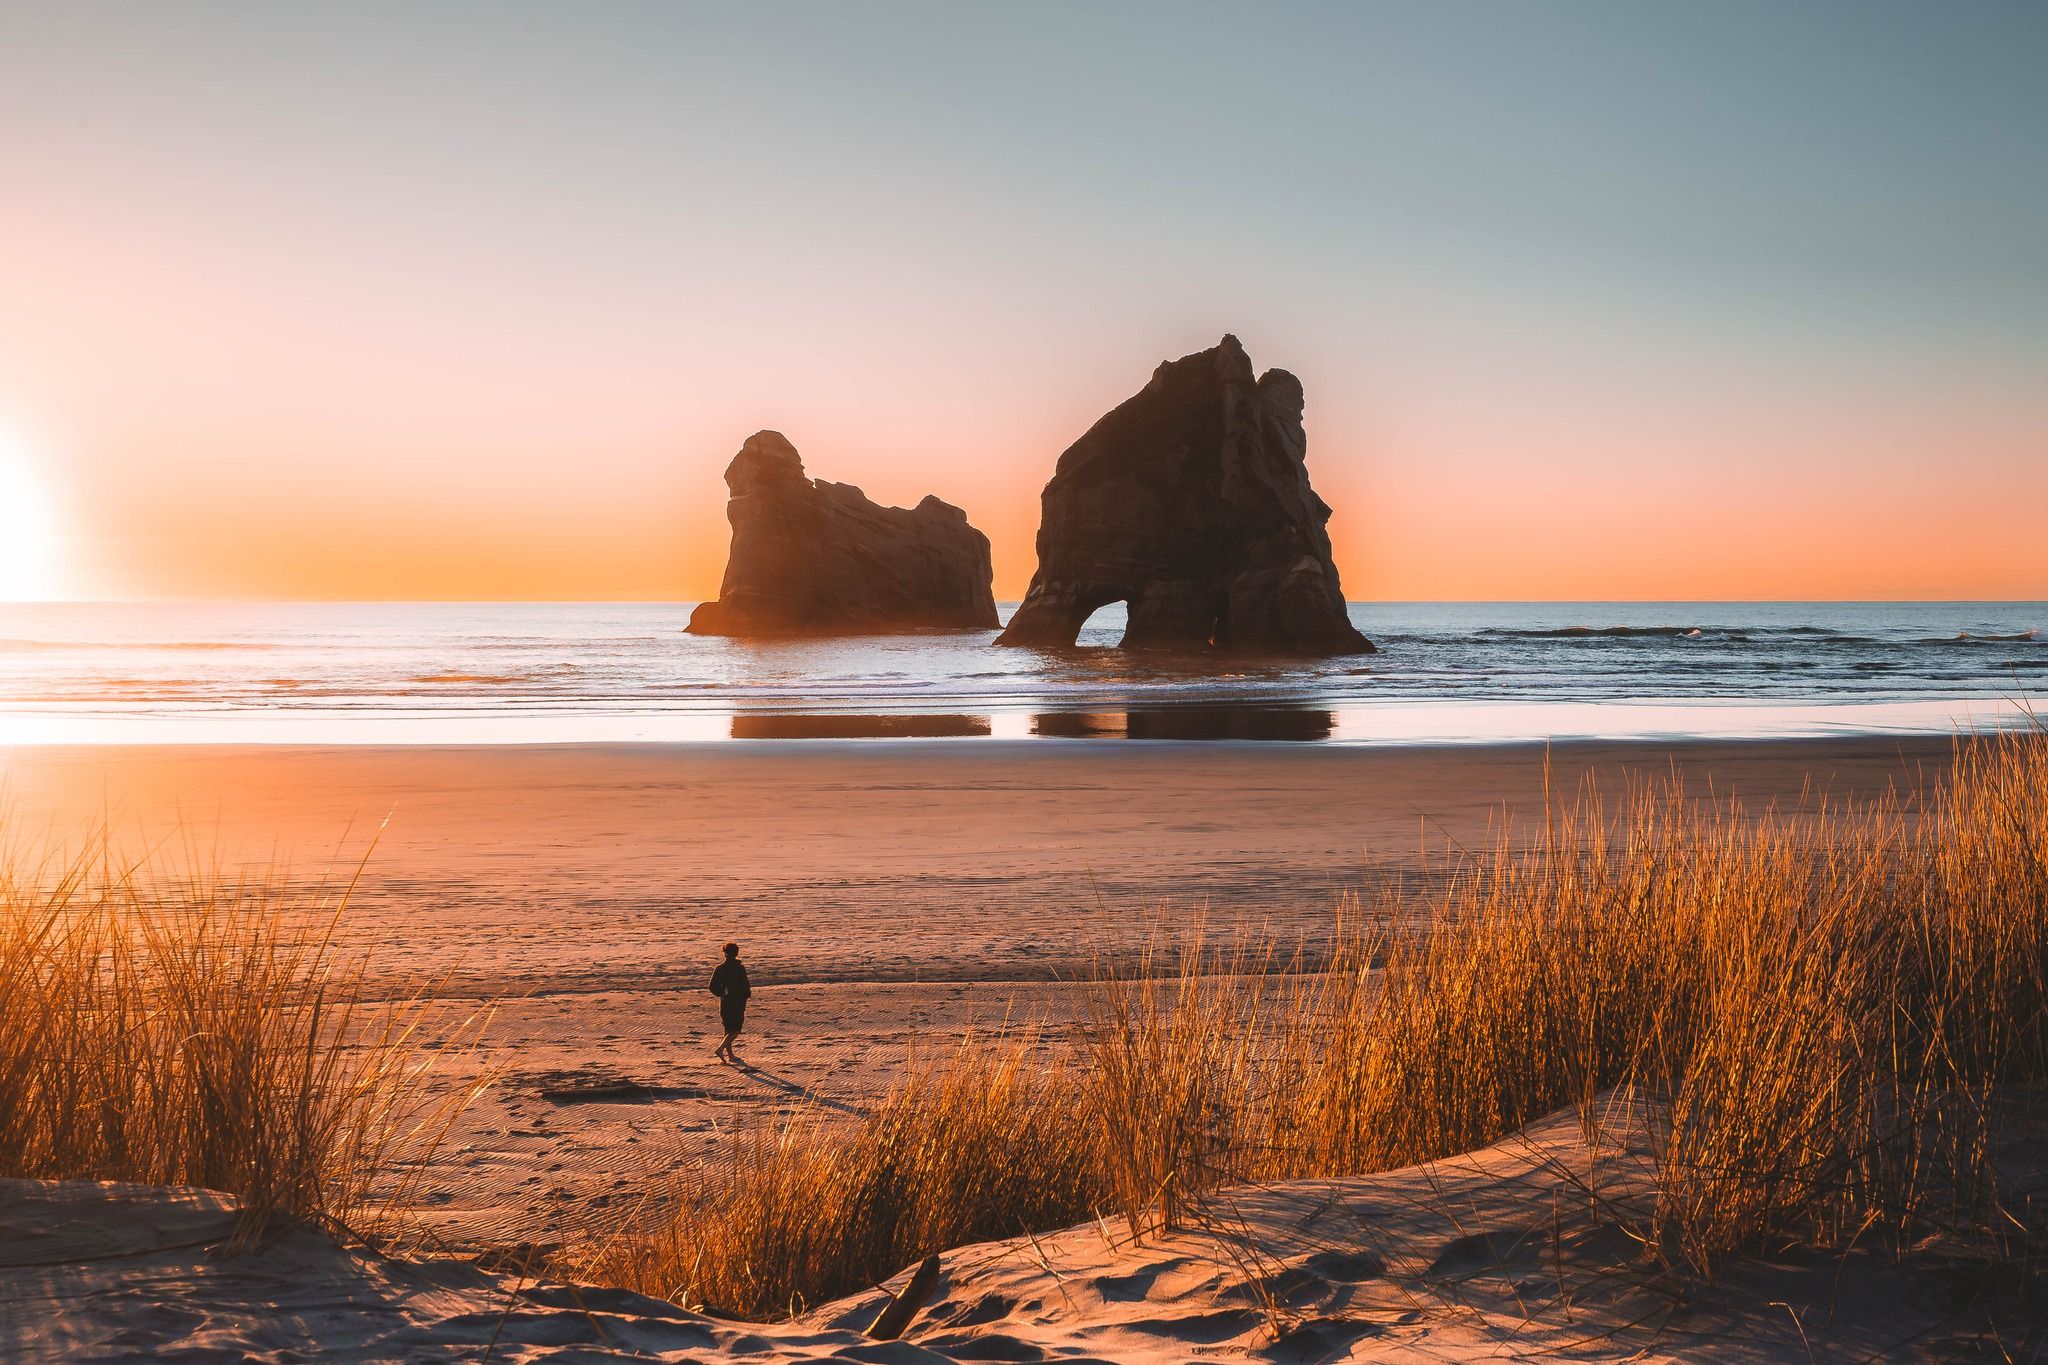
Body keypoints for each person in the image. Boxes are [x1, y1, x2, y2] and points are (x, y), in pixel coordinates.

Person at [709, 942, 751, 1064]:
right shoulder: (739, 968)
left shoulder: (720, 968)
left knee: (728, 1029)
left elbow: (712, 987)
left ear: (724, 953)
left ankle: (731, 1056)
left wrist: (722, 993)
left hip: (725, 1003)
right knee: (736, 1029)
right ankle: (720, 1049)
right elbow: (745, 986)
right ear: (736, 954)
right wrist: (746, 996)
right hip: (737, 1003)